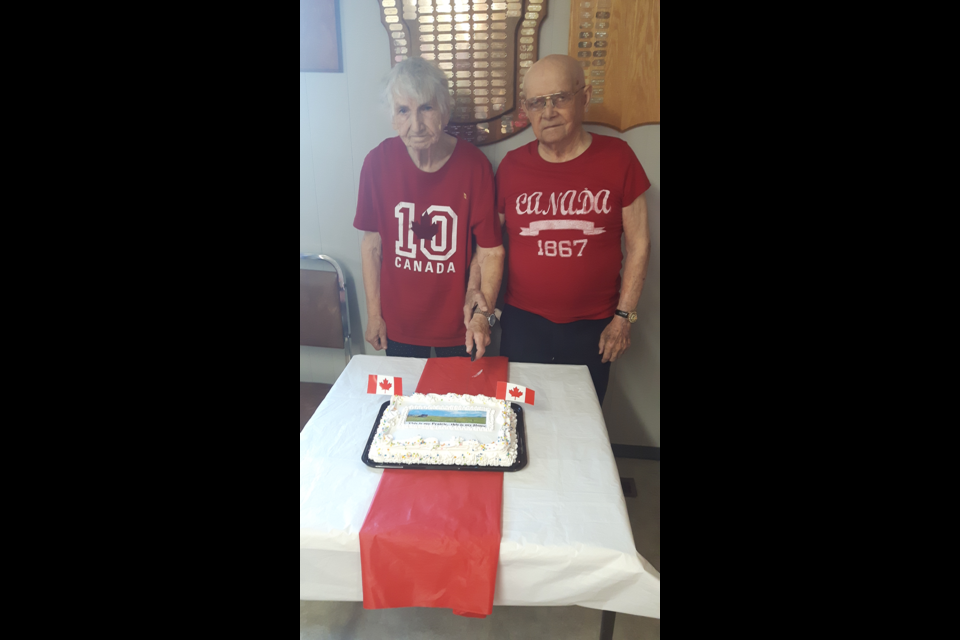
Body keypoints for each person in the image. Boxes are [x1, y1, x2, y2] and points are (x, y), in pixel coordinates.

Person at [469, 54, 651, 404]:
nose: (548, 111)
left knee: (582, 420)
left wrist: (623, 318)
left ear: (584, 97)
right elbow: (488, 246)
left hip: (595, 326)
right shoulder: (511, 166)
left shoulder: (619, 157)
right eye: (537, 102)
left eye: (560, 98)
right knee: (520, 414)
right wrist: (481, 308)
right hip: (524, 324)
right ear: (526, 109)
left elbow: (640, 244)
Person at [354, 58, 504, 359]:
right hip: (399, 323)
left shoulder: (474, 165)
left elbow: (490, 251)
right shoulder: (376, 163)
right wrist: (374, 315)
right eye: (403, 111)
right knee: (405, 404)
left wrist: (481, 315)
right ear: (393, 117)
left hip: (459, 323)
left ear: (445, 111)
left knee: (459, 403)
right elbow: (372, 245)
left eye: (426, 108)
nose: (416, 125)